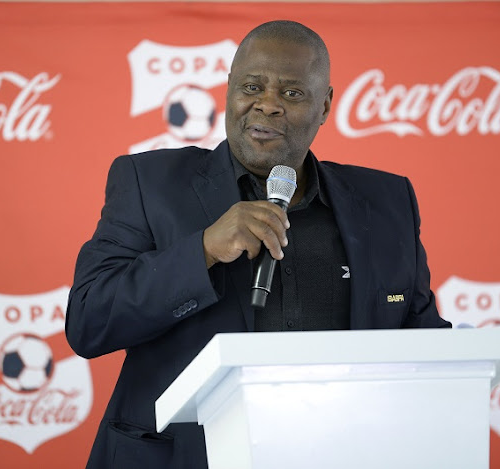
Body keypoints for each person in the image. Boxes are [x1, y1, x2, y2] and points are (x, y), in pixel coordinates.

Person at [66, 20, 451, 469]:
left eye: (291, 93)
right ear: (228, 89)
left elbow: (423, 342)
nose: (267, 105)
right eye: (252, 86)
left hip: (338, 453)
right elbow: (89, 322)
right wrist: (204, 249)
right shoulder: (149, 184)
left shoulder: (386, 202)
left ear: (325, 105)